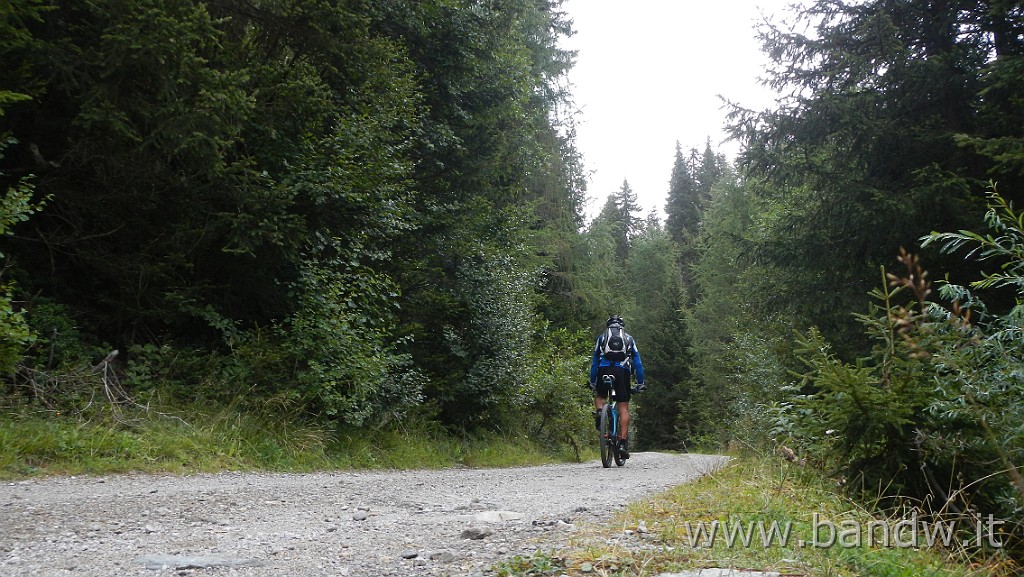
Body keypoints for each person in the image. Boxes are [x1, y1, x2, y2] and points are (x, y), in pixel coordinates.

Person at [588, 315, 645, 459]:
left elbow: (595, 361)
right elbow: (638, 363)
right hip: (622, 372)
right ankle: (622, 444)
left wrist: (592, 381)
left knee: (600, 396)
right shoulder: (628, 339)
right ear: (622, 327)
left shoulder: (601, 338)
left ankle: (600, 411)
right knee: (623, 408)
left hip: (603, 370)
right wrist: (640, 382)